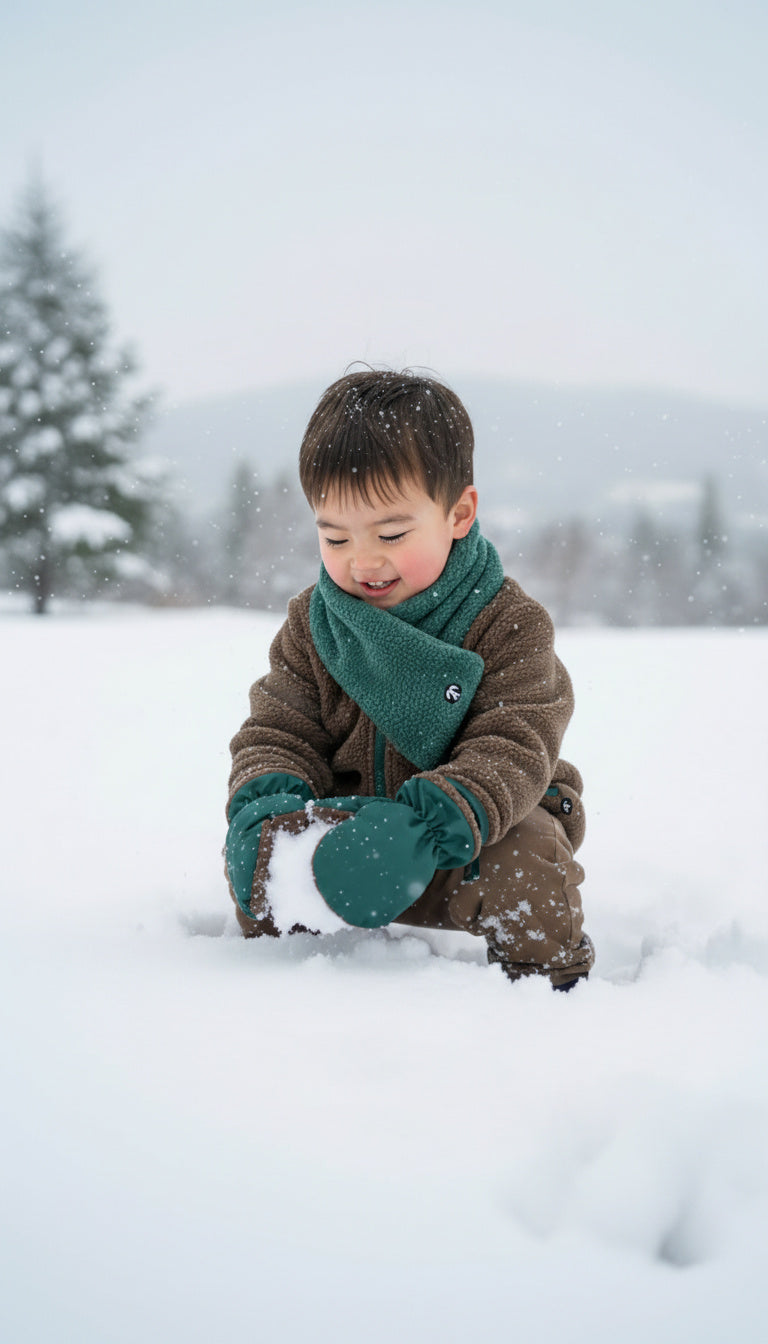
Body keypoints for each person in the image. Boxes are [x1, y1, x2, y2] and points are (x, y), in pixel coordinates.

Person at [225, 370, 594, 989]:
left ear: (458, 513)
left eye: (392, 534)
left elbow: (514, 743)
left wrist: (426, 827)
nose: (363, 560)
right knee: (266, 864)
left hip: (463, 834)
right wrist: (265, 802)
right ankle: (288, 988)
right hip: (351, 837)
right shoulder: (312, 624)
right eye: (335, 537)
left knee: (530, 858)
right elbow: (279, 728)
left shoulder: (508, 623)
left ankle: (545, 985)